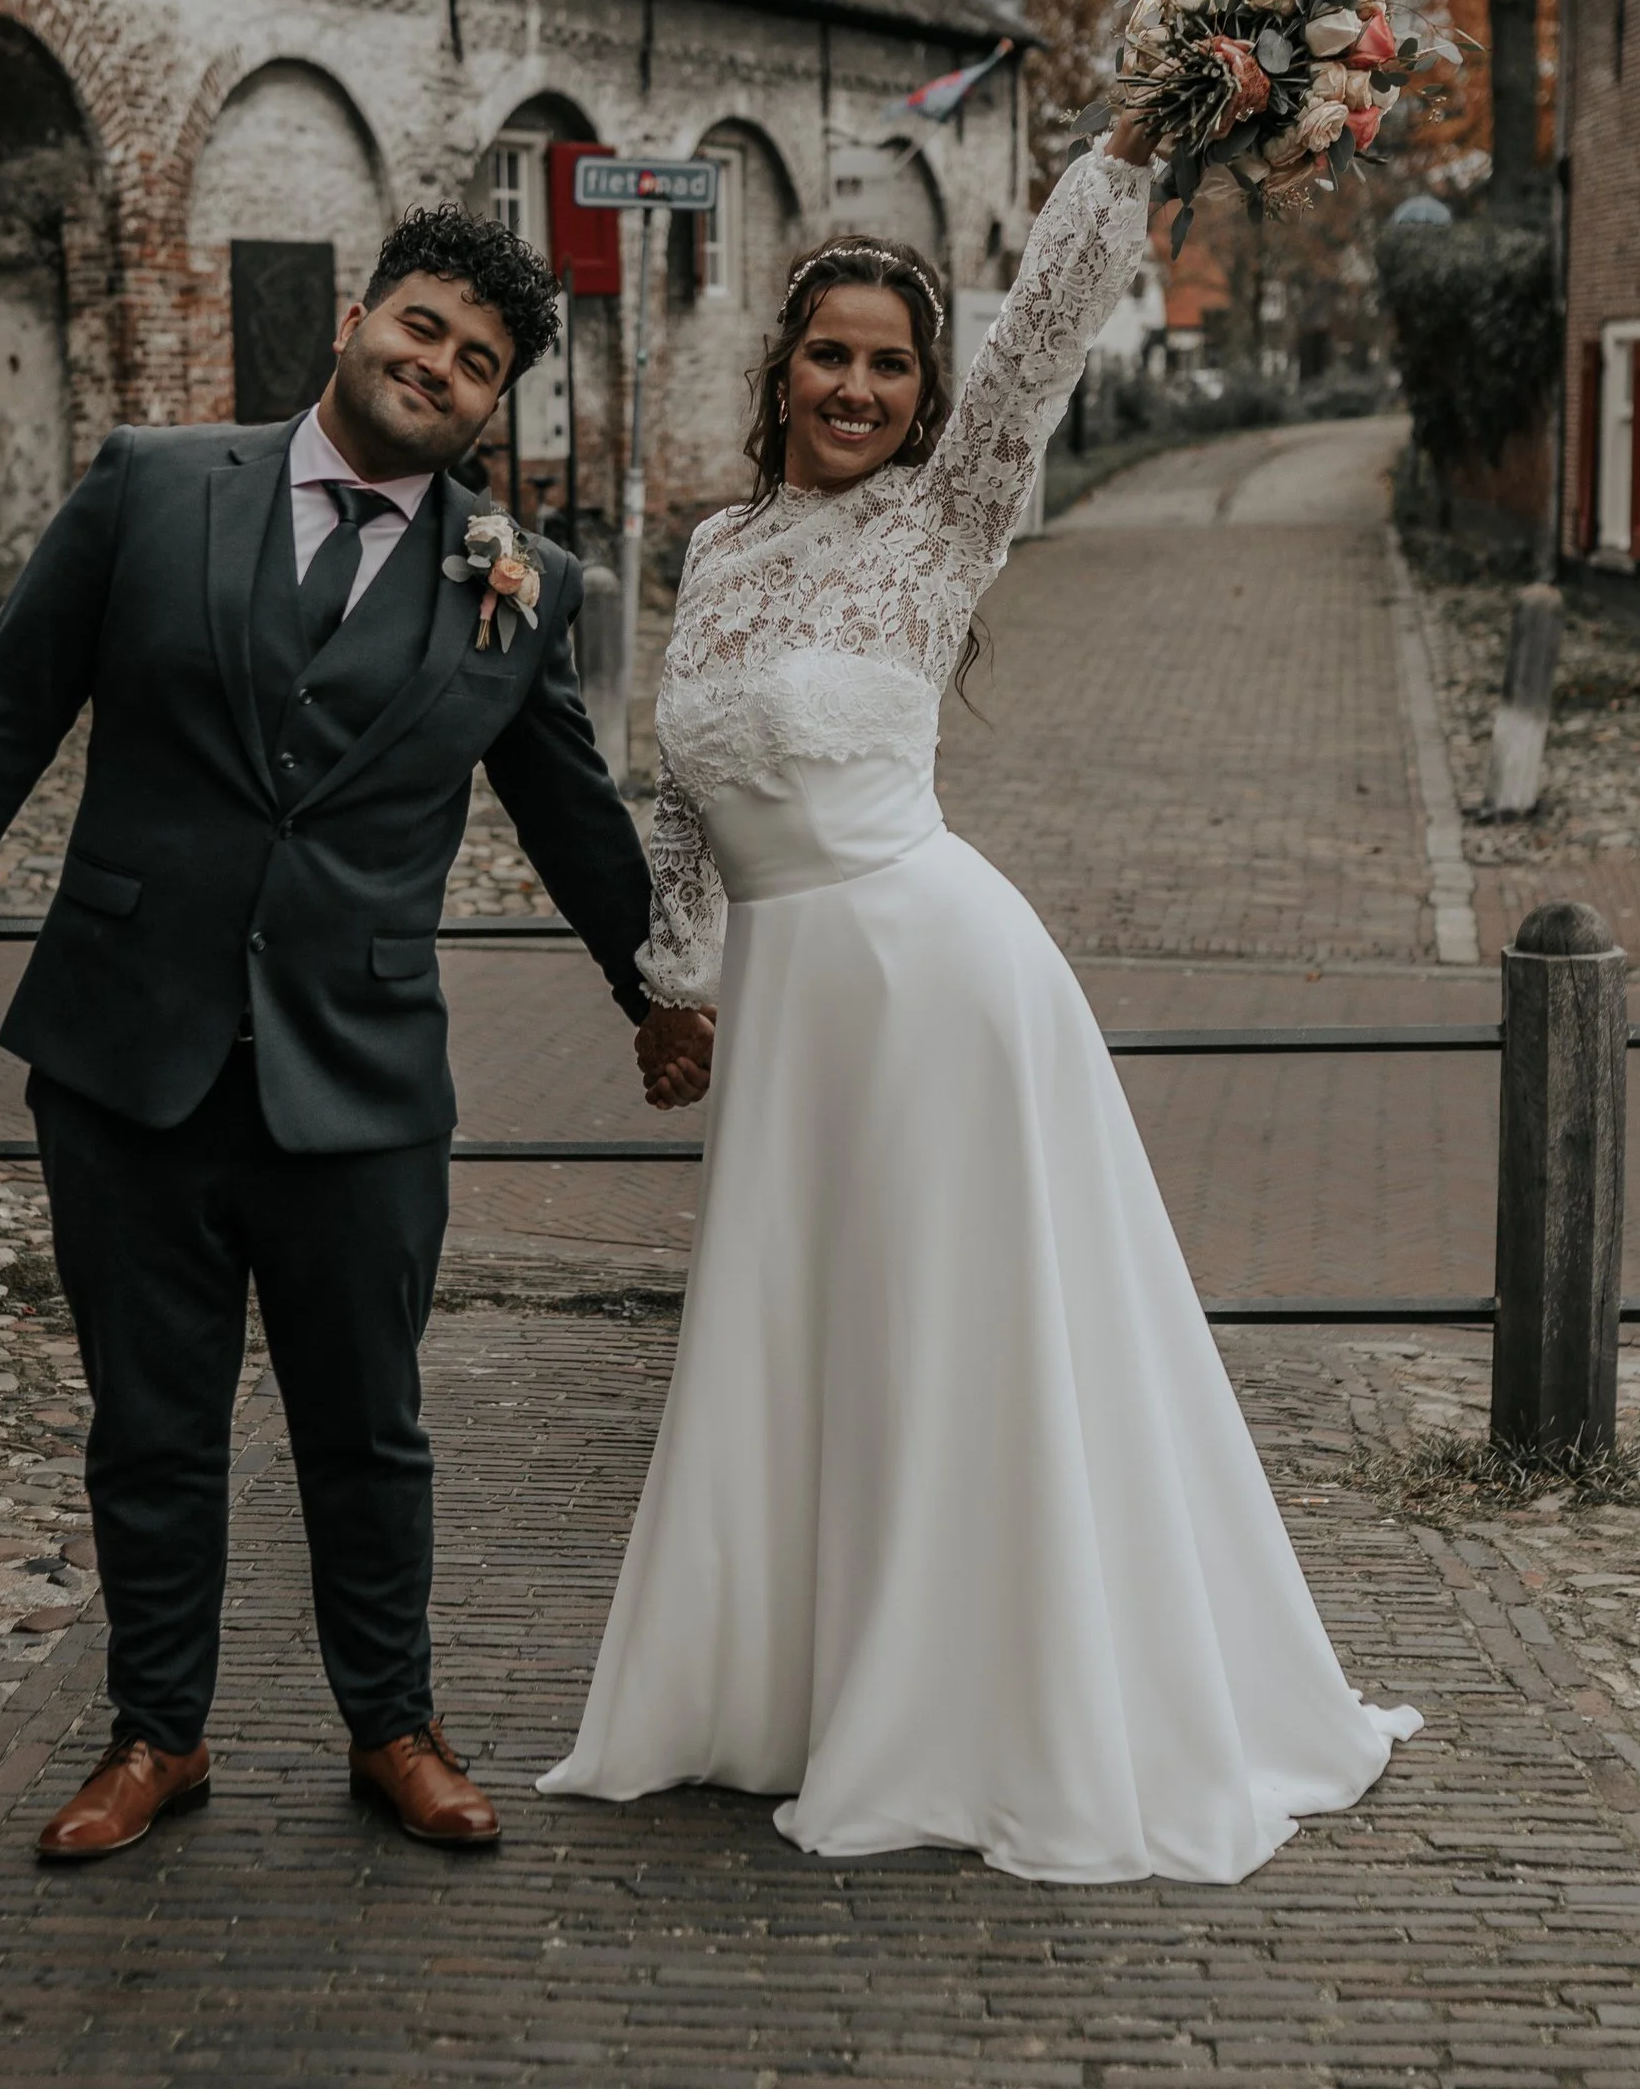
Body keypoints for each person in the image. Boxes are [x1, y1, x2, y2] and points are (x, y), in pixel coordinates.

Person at [540, 124, 1419, 1883]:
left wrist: (1138, 141)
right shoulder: (716, 557)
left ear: (923, 393)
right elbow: (686, 809)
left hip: (936, 978)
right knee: (819, 1338)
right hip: (791, 1013)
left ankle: (980, 1703)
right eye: (830, 355)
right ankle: (794, 1690)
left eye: (889, 364)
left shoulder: (946, 523)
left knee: (956, 1335)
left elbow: (1040, 343)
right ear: (779, 369)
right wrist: (676, 985)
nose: (857, 387)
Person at [0, 206, 709, 1861]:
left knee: (369, 1430)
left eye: (479, 365)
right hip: (123, 1055)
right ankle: (159, 1734)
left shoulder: (519, 588)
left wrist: (656, 994)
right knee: (147, 1425)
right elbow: (4, 716)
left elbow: (578, 820)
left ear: (492, 404)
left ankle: (394, 1724)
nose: (440, 369)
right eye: (427, 328)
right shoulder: (155, 486)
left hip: (360, 1079)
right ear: (358, 318)